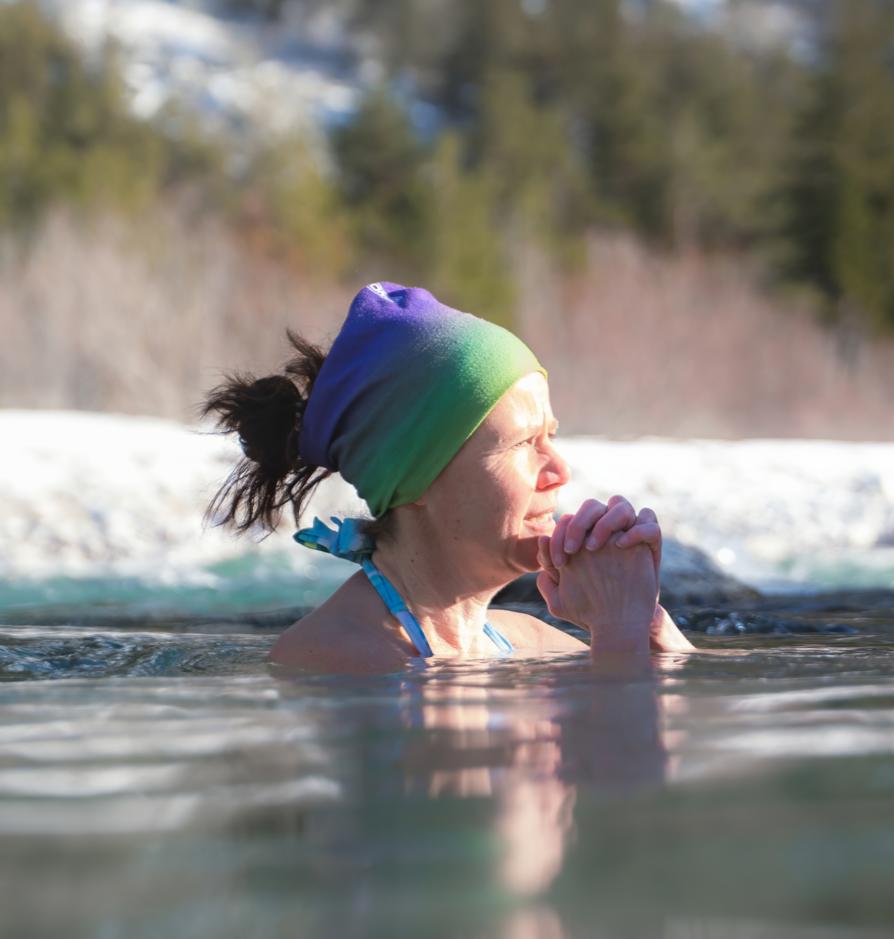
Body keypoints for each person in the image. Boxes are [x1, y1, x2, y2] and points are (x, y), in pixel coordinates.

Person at [204, 281, 694, 673]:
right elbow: (630, 775)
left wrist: (647, 628)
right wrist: (616, 640)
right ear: (416, 477)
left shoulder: (527, 642)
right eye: (524, 443)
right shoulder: (340, 659)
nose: (559, 471)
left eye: (552, 437)